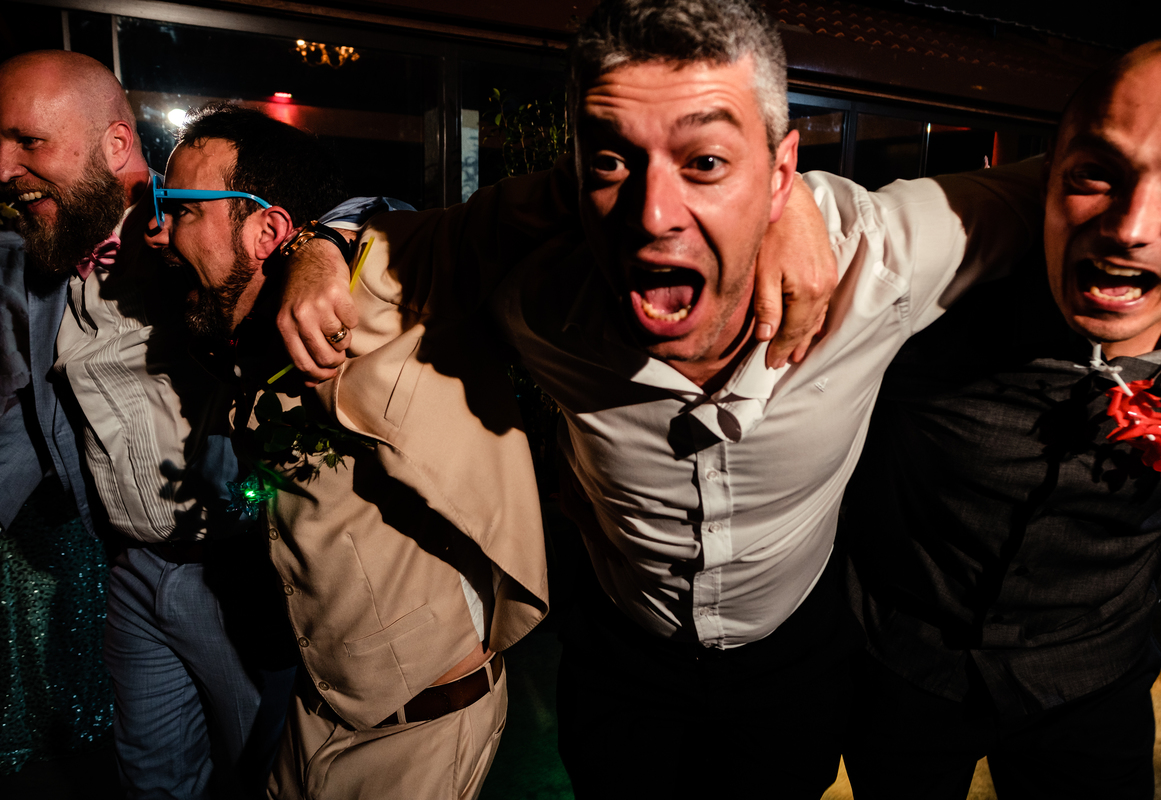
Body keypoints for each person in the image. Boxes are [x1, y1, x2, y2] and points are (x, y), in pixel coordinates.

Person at [275, 1, 1042, 796]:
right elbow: (400, 239)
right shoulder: (537, 298)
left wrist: (803, 204)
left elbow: (1062, 181)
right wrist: (317, 244)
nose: (653, 216)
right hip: (620, 665)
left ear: (780, 173)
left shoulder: (876, 265)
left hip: (792, 664)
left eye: (706, 162)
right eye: (611, 163)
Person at [146, 103, 554, 800]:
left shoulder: (375, 288)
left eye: (180, 208)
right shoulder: (246, 341)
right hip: (316, 717)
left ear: (267, 228)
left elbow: (502, 214)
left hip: (421, 731)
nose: (157, 230)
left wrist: (328, 241)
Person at [839, 37, 1161, 800]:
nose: (1131, 227)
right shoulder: (927, 319)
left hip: (1092, 686)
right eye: (1095, 174)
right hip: (904, 677)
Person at [0, 51, 295, 798]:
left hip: (235, 573)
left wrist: (324, 253)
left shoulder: (199, 231)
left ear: (117, 146)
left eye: (28, 141)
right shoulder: (44, 259)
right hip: (130, 572)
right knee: (154, 781)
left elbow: (365, 213)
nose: (5, 168)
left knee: (273, 777)